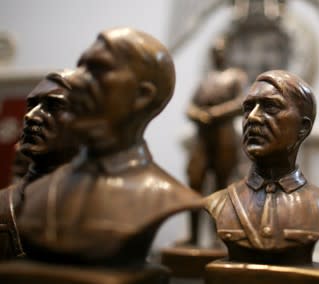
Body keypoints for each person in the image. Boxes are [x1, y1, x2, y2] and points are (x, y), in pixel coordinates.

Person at [16, 28, 203, 267]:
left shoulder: (167, 195)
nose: (75, 80)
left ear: (142, 96)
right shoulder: (36, 193)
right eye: (80, 67)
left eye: (96, 70)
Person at [205, 70, 319, 266]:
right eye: (248, 108)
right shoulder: (219, 203)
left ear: (303, 128)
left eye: (270, 107)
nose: (253, 117)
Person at [0, 70, 79, 260]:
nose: (30, 116)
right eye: (31, 105)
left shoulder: (104, 203)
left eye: (54, 105)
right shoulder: (3, 204)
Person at [183, 37, 247, 246]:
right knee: (195, 184)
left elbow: (240, 103)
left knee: (222, 187)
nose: (217, 54)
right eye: (214, 51)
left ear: (226, 52)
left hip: (224, 136)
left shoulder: (234, 77)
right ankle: (193, 237)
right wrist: (198, 115)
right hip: (202, 137)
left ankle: (217, 238)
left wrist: (215, 113)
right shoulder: (205, 80)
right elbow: (189, 107)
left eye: (220, 51)